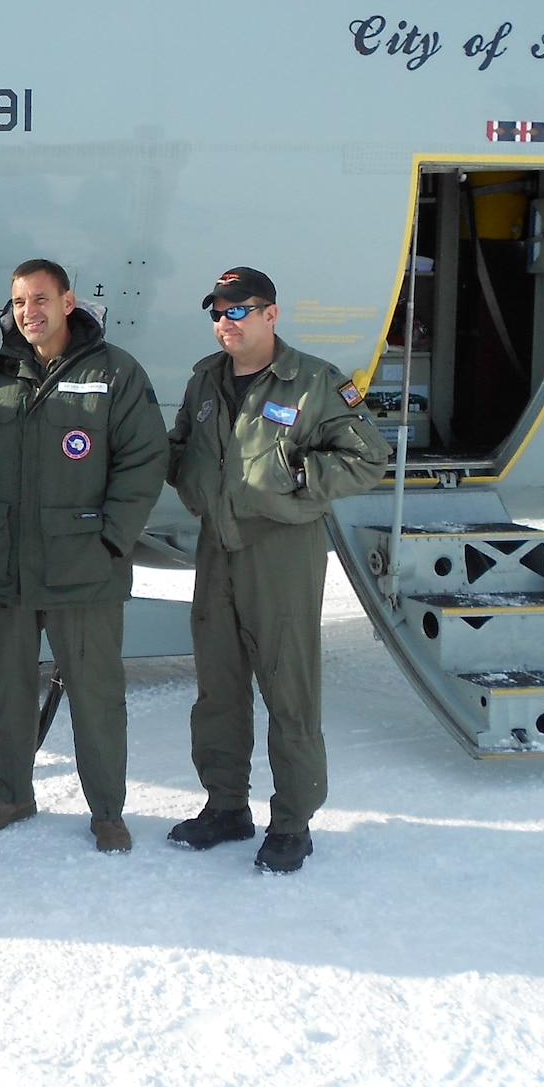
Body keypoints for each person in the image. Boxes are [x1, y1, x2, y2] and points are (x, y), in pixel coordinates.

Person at [164, 267, 391, 873]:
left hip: (281, 549)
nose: (226, 322)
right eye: (218, 311)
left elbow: (368, 458)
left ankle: (293, 820)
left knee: (288, 689)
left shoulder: (314, 382)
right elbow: (183, 445)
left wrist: (294, 478)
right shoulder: (205, 381)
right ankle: (226, 806)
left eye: (239, 310)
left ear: (271, 315)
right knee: (218, 687)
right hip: (216, 546)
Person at [0, 259, 168, 853]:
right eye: (20, 302)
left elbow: (144, 460)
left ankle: (107, 811)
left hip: (85, 569)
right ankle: (13, 794)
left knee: (97, 699)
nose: (30, 313)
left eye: (41, 299)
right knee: (8, 696)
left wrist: (111, 540)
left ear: (68, 302)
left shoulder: (113, 372)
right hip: (9, 567)